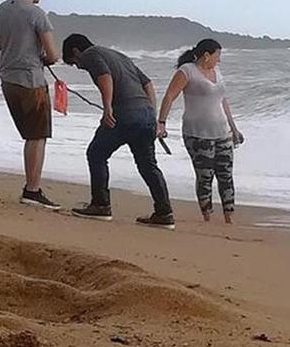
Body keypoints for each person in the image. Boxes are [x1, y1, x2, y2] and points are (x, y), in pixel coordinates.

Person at [61, 34, 175, 229]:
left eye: (74, 63)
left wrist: (108, 109)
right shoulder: (118, 55)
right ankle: (164, 213)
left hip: (125, 114)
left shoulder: (91, 54)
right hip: (145, 114)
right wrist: (151, 113)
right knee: (148, 164)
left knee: (96, 154)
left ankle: (101, 205)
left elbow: (104, 76)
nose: (78, 67)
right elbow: (148, 83)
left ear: (75, 51)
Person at [0, 0, 61, 209]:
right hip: (31, 80)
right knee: (37, 136)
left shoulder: (1, 9)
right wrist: (40, 55)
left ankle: (32, 188)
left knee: (30, 135)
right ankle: (32, 190)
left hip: (7, 79)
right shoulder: (37, 14)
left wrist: (15, 42)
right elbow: (53, 55)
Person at [157, 39, 244, 224]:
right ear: (206, 55)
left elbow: (223, 100)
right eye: (217, 56)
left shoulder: (217, 72)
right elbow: (170, 96)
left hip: (222, 132)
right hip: (197, 133)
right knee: (205, 176)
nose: (219, 60)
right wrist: (161, 122)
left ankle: (229, 217)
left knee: (226, 175)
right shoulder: (187, 71)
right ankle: (207, 217)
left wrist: (234, 128)